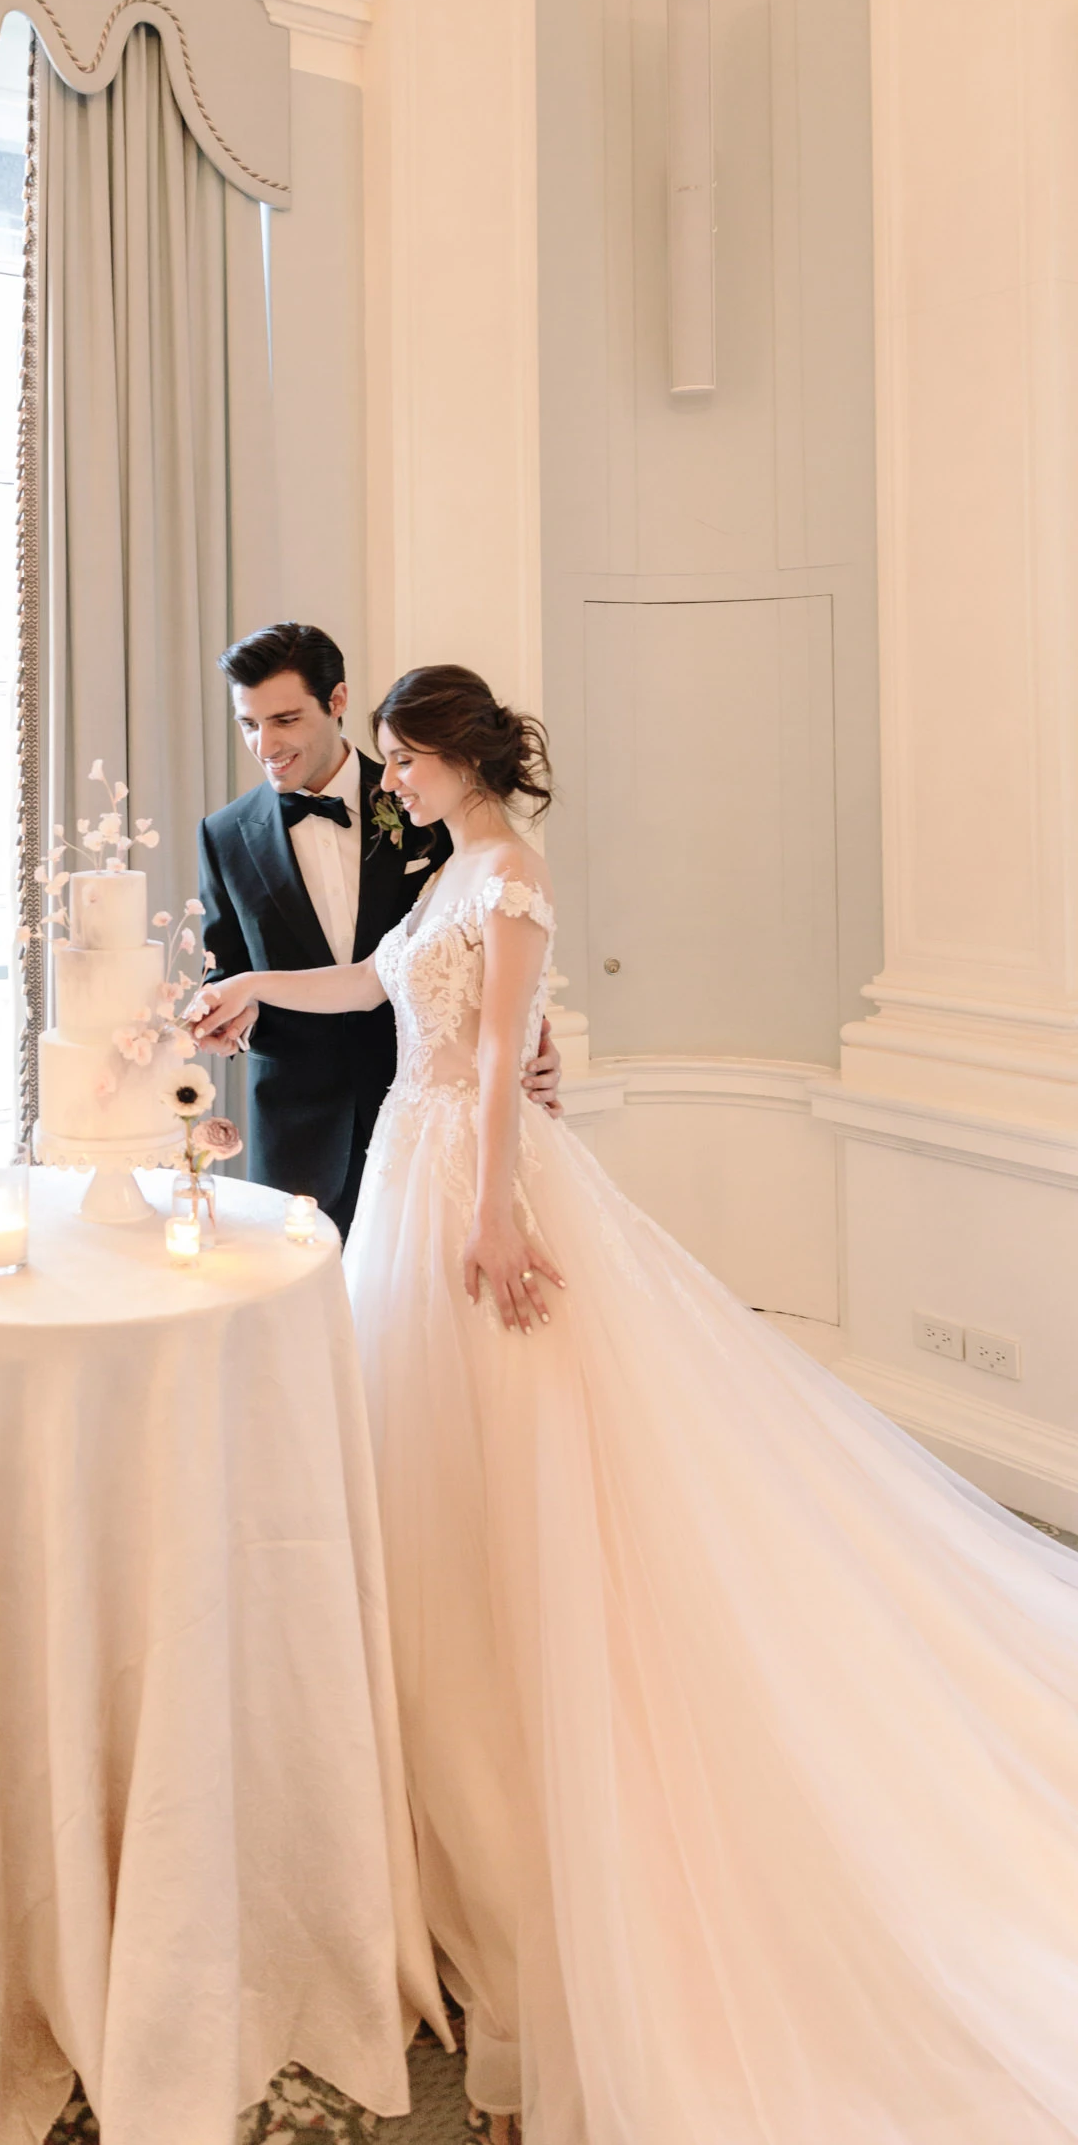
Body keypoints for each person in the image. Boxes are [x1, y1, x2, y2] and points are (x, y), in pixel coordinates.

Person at [192, 662, 1078, 2145]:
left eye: (404, 760)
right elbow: (371, 988)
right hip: (413, 1171)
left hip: (463, 1180)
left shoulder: (510, 878)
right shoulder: (449, 871)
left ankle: (516, 1786)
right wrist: (252, 986)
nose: (389, 781)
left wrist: (491, 1213)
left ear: (459, 756)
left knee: (505, 1467)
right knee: (412, 1468)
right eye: (387, 762)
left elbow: (496, 1057)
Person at [198, 622, 560, 1236]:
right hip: (299, 1131)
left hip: (442, 1135)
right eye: (248, 724)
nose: (265, 744)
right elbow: (247, 970)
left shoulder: (432, 805)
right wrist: (234, 1002)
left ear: (336, 700)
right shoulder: (224, 835)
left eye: (285, 720)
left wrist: (536, 1049)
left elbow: (500, 963)